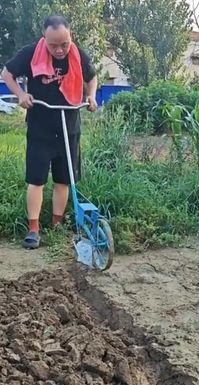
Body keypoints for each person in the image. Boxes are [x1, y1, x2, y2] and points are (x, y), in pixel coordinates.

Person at [1, 15, 97, 249]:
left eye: (64, 44)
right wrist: (21, 94)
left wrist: (91, 95)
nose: (60, 50)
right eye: (54, 45)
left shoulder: (77, 53)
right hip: (40, 128)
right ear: (44, 38)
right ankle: (33, 229)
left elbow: (92, 78)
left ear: (70, 36)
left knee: (64, 180)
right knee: (36, 180)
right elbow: (6, 74)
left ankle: (57, 225)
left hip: (69, 128)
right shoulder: (30, 52)